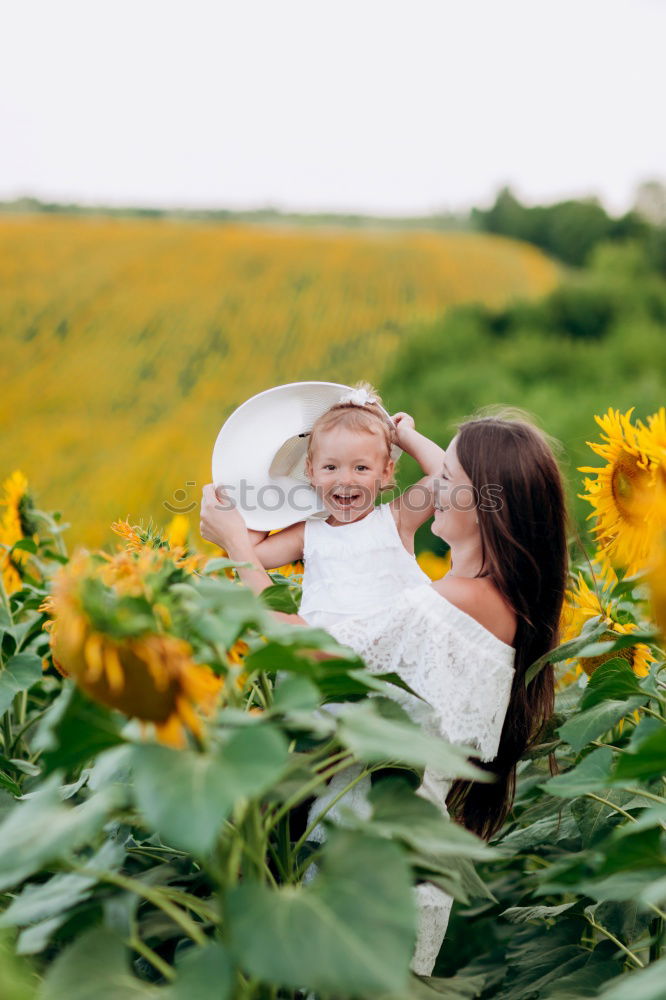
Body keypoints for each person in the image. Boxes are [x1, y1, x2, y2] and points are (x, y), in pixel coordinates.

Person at [200, 408, 569, 976]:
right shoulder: (476, 596)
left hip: (376, 877)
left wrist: (238, 550)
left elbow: (315, 652)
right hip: (369, 854)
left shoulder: (460, 601)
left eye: (449, 480)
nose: (436, 488)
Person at [241, 381, 442, 628]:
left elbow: (445, 476)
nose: (345, 480)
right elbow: (250, 553)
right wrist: (269, 487)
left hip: (398, 658)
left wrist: (405, 435)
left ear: (385, 472)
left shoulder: (396, 519)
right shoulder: (308, 534)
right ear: (310, 472)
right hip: (335, 661)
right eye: (330, 467)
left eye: (361, 467)